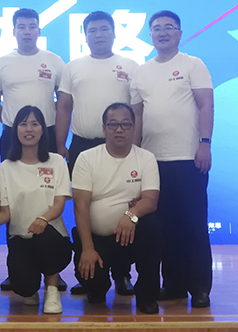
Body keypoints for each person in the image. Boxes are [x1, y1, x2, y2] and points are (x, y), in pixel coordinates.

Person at [131, 10, 214, 309]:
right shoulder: (141, 71)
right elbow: (137, 117)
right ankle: (174, 285)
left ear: (179, 33)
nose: (162, 32)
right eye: (156, 28)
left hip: (189, 158)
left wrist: (205, 144)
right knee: (163, 228)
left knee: (193, 225)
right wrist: (134, 156)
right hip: (153, 161)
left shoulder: (193, 64)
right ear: (150, 35)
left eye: (169, 27)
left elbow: (206, 105)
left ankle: (200, 287)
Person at [55, 10, 138, 296]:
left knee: (122, 206)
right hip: (83, 146)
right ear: (85, 35)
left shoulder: (130, 65)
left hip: (121, 146)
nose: (99, 35)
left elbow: (137, 109)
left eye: (104, 29)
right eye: (92, 30)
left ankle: (123, 273)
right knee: (85, 208)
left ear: (114, 33)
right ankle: (88, 269)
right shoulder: (73, 67)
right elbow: (63, 107)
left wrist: (136, 145)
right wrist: (61, 145)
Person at [0, 8, 67, 292]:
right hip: (12, 135)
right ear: (14, 31)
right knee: (12, 200)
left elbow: (63, 102)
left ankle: (53, 266)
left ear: (39, 30)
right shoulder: (2, 63)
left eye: (32, 26)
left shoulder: (54, 61)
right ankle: (17, 264)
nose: (27, 31)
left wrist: (40, 130)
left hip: (47, 134)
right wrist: (19, 127)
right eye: (21, 26)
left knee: (48, 196)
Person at [72, 102, 161, 315]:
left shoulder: (146, 158)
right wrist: (87, 248)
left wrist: (131, 215)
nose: (119, 130)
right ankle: (97, 287)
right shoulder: (86, 158)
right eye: (113, 124)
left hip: (130, 237)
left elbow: (150, 201)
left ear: (133, 128)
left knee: (153, 226)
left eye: (125, 124)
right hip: (97, 240)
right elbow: (80, 206)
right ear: (104, 129)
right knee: (92, 283)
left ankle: (147, 296)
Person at [0, 106, 72, 314]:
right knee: (24, 288)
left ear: (43, 130)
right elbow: (5, 212)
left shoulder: (56, 161)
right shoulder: (6, 167)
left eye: (35, 124)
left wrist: (43, 219)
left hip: (53, 238)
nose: (29, 129)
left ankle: (52, 289)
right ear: (15, 130)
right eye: (23, 124)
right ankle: (31, 286)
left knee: (44, 236)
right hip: (21, 239)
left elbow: (59, 204)